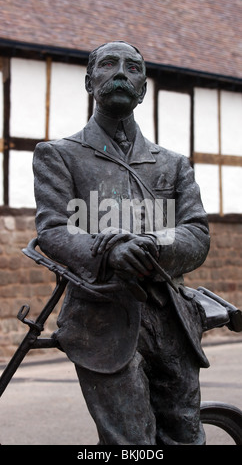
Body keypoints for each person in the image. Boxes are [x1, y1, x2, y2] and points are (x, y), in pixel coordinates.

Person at [33, 41, 210, 445]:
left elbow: (197, 234)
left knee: (187, 435)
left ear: (143, 89)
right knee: (130, 444)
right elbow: (55, 229)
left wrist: (152, 244)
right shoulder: (60, 155)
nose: (120, 74)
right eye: (109, 65)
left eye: (132, 68)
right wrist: (109, 250)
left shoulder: (173, 164)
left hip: (172, 321)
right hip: (102, 320)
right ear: (89, 81)